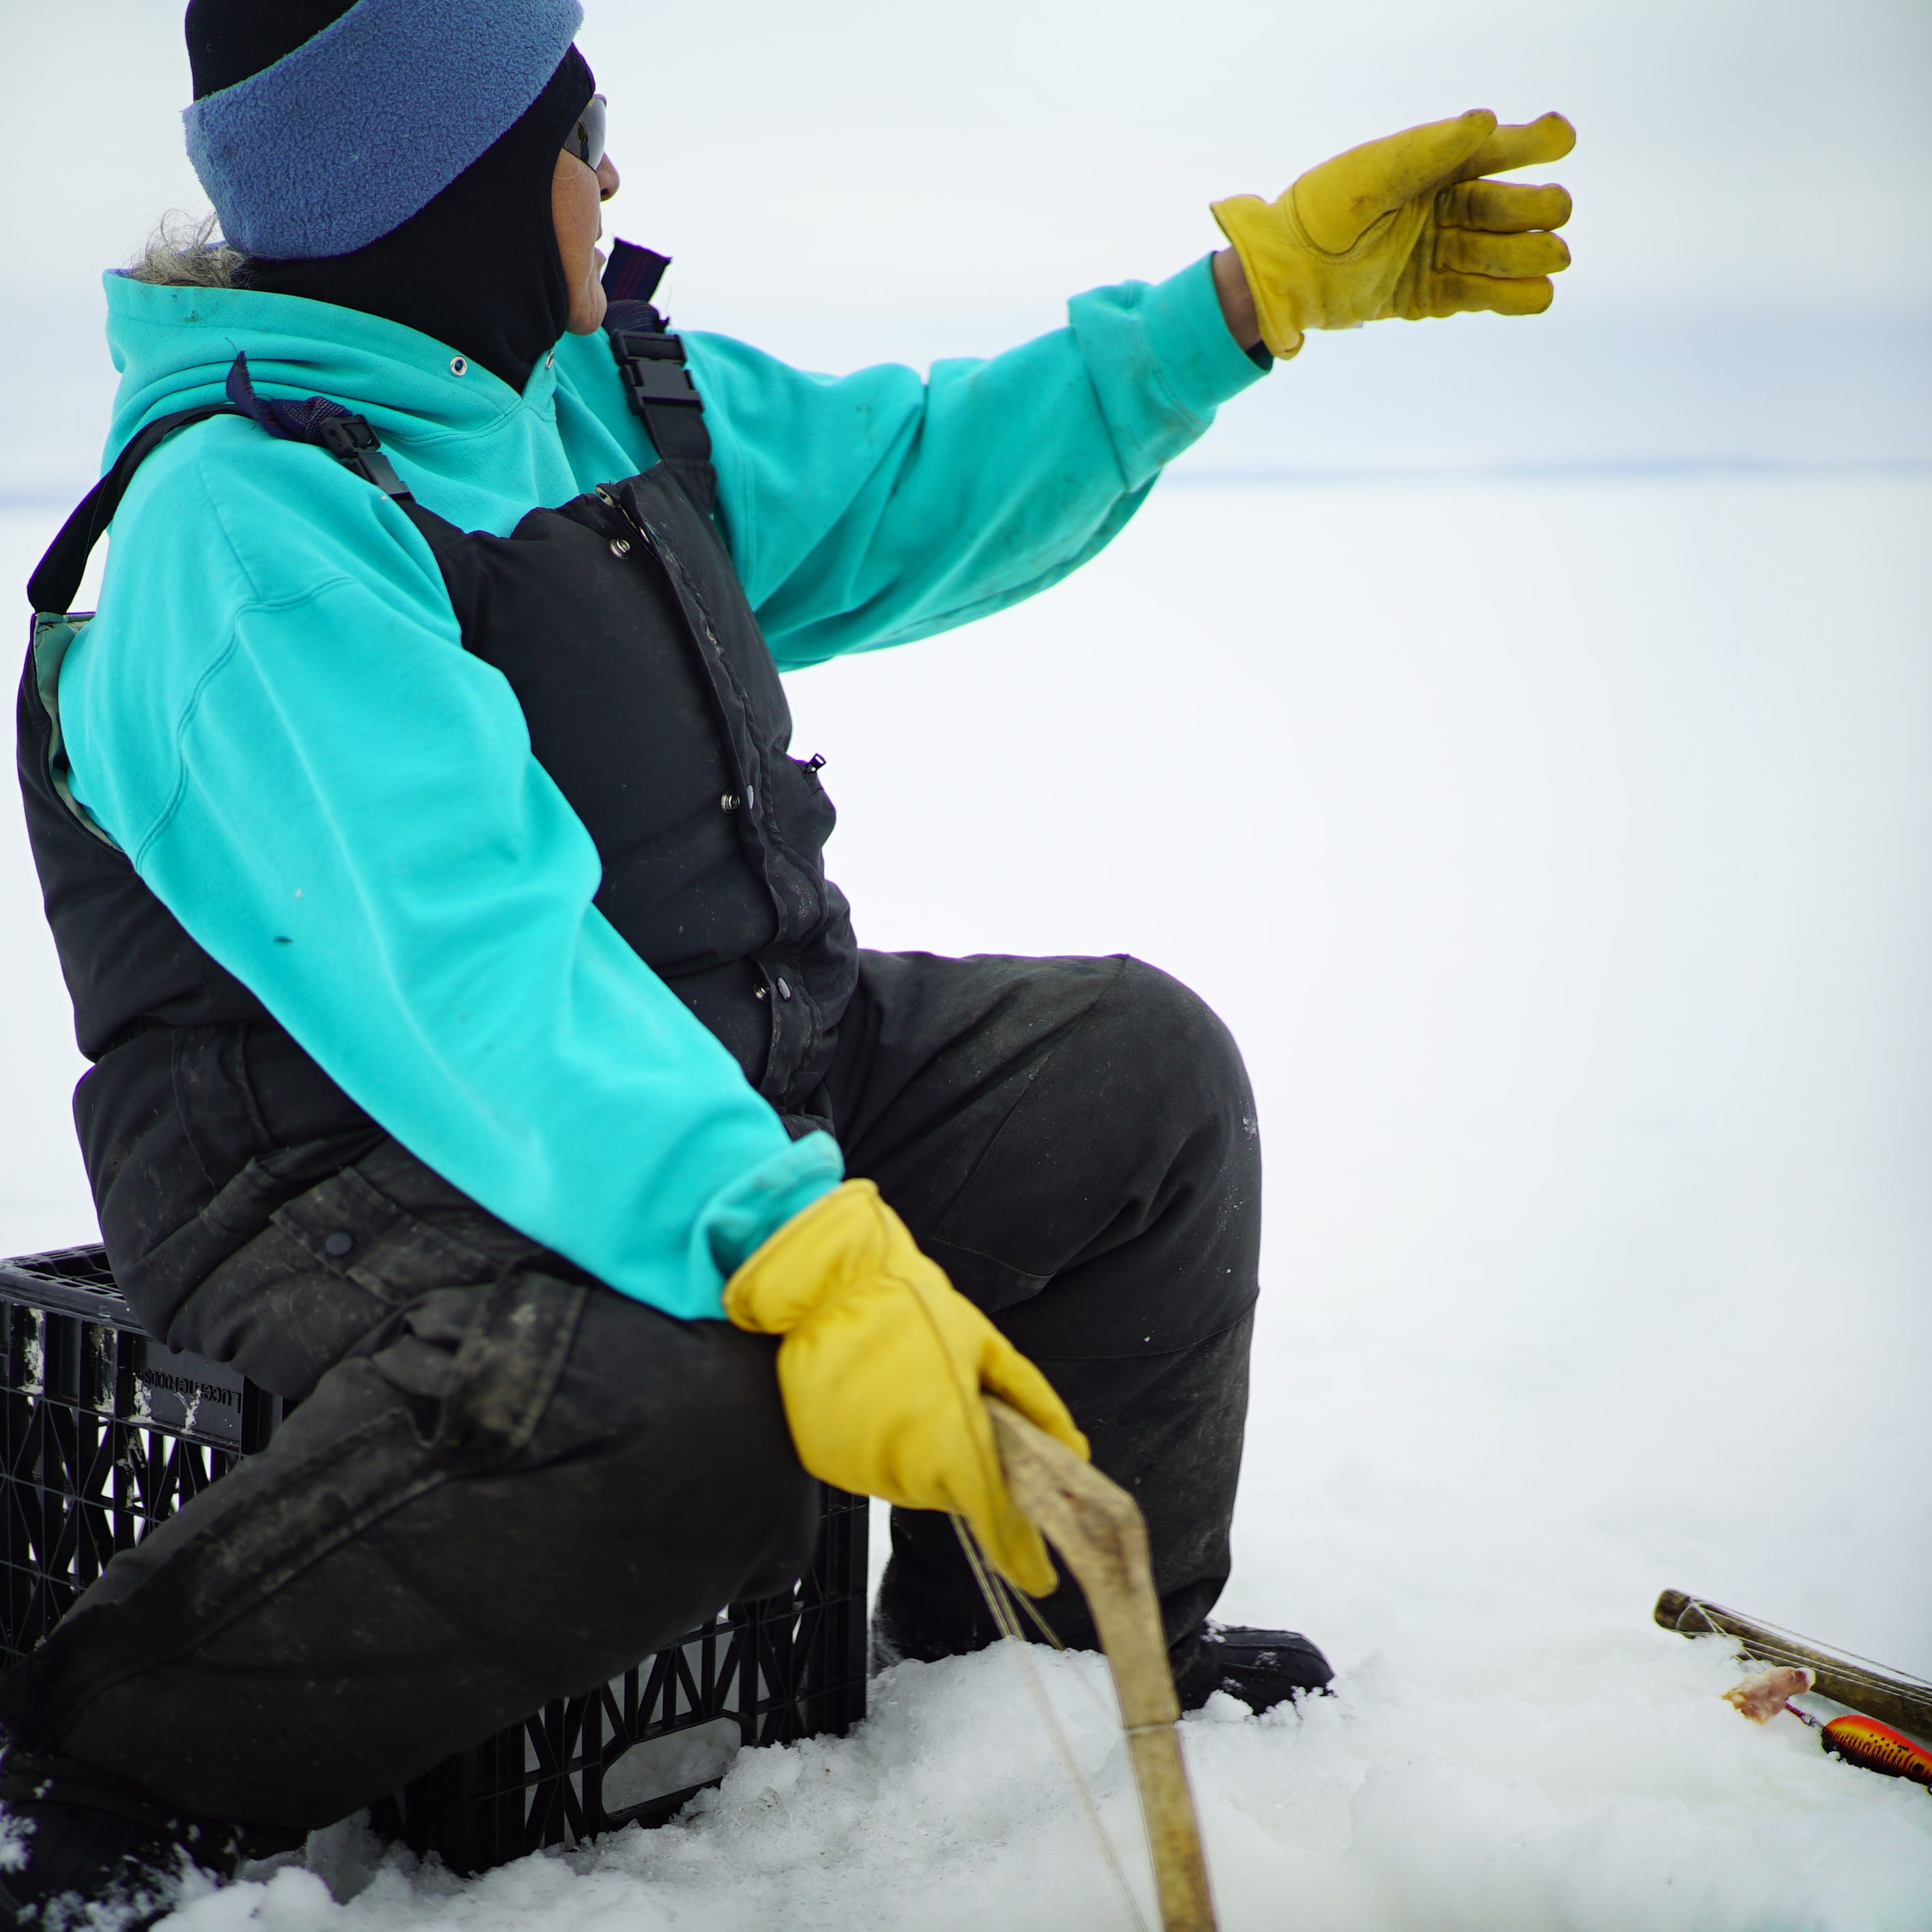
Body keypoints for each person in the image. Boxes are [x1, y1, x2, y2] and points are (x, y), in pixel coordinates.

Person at [0, 0, 1575, 1917]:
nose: (614, 176)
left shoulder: (572, 397)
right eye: (583, 133)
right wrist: (778, 1238)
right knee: (703, 1401)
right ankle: (100, 1774)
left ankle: (1043, 1675)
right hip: (346, 1173)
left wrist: (1231, 311)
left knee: (1132, 1080)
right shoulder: (243, 531)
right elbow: (471, 969)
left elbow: (910, 479)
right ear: (458, 182)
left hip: (687, 1085)